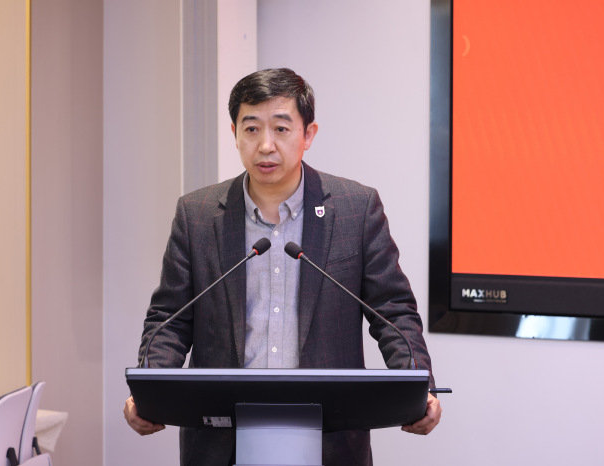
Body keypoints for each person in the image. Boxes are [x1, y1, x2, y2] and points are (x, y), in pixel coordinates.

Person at [124, 68, 441, 466]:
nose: (265, 145)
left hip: (329, 439)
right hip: (221, 441)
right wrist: (150, 388)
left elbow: (392, 311)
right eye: (251, 129)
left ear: (308, 134)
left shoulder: (356, 209)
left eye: (281, 129)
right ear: (235, 134)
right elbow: (170, 318)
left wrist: (418, 386)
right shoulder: (197, 215)